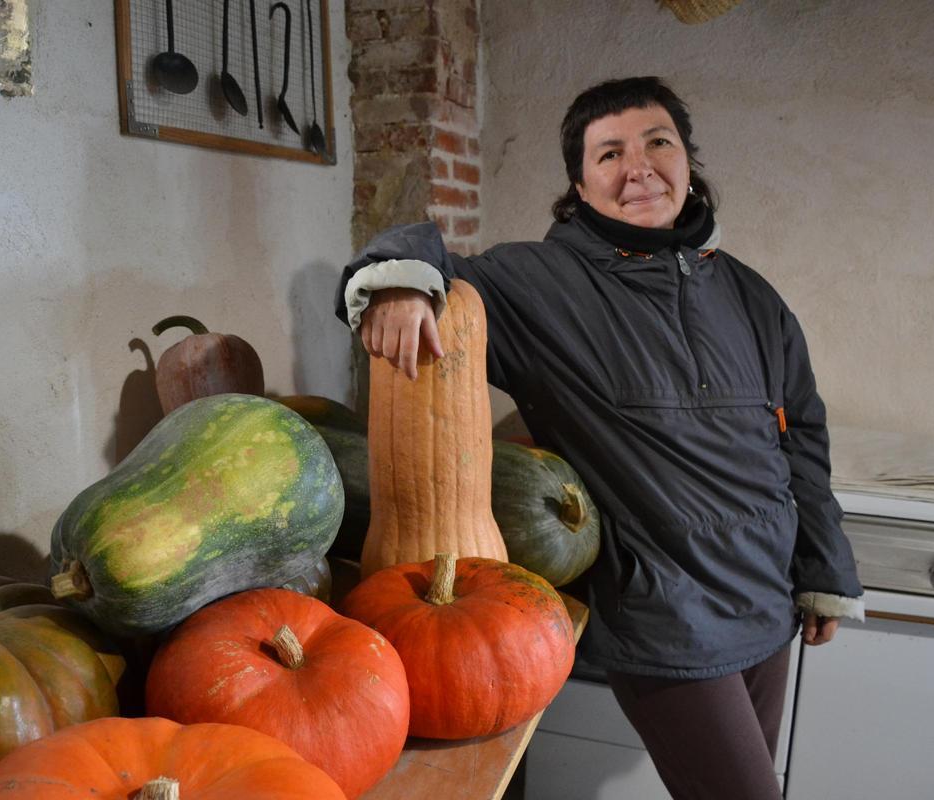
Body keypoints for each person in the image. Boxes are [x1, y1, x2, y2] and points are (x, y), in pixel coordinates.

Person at [334, 76, 865, 800]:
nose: (638, 166)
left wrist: (824, 568)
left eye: (657, 143)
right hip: (666, 612)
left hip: (767, 599)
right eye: (609, 153)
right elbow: (425, 251)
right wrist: (398, 282)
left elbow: (801, 433)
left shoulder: (750, 293)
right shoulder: (538, 284)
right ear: (580, 188)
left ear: (687, 159)